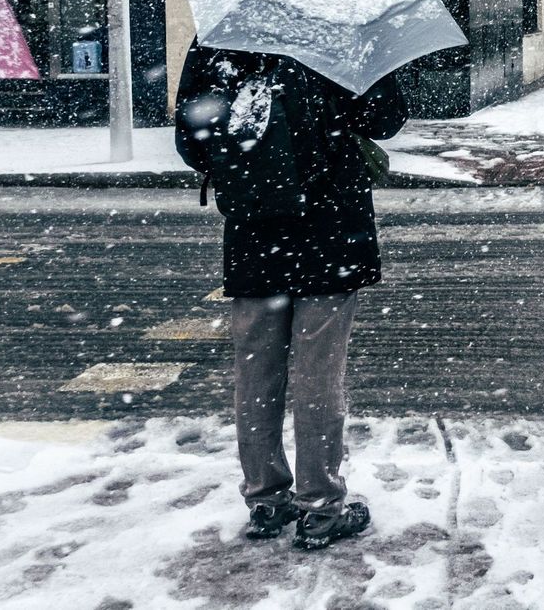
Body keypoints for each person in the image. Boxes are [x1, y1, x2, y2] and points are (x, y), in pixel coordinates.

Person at [174, 44, 407, 551]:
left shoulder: (221, 36)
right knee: (318, 374)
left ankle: (264, 499)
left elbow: (192, 142)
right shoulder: (340, 33)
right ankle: (320, 507)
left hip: (255, 232)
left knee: (256, 373)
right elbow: (386, 119)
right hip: (331, 230)